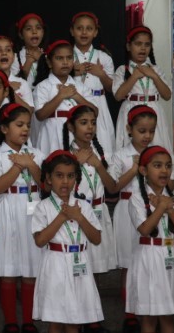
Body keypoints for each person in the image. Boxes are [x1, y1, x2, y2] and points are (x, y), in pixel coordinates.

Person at [32, 150, 104, 333]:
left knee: (75, 320)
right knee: (56, 321)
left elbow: (96, 238)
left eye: (70, 176)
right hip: (55, 265)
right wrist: (62, 216)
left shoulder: (84, 206)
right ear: (49, 178)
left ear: (76, 179)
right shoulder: (43, 207)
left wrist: (79, 217)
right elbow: (40, 240)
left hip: (80, 264)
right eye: (59, 175)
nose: (65, 181)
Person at [0, 103, 45, 333]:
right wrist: (17, 167)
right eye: (19, 125)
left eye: (28, 125)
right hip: (7, 208)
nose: (25, 129)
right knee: (8, 270)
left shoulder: (37, 154)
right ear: (4, 128)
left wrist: (30, 164)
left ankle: (29, 321)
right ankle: (10, 321)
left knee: (31, 269)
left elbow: (46, 185)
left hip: (33, 211)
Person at [127, 146, 174, 333]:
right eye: (157, 165)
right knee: (149, 317)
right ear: (143, 170)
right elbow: (145, 229)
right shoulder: (137, 199)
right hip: (149, 257)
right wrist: (160, 208)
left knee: (168, 315)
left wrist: (169, 209)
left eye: (168, 166)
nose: (164, 170)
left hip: (172, 256)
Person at [108, 105, 162, 333]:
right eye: (141, 131)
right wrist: (134, 168)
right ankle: (130, 315)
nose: (147, 136)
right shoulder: (120, 155)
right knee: (129, 265)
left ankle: (153, 313)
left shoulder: (159, 154)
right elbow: (112, 187)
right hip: (125, 209)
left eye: (151, 131)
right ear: (129, 129)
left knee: (152, 262)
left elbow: (170, 183)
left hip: (151, 211)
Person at [62, 105, 116, 274]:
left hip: (100, 211)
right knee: (79, 264)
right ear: (71, 126)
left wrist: (99, 165)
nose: (90, 127)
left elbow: (112, 188)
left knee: (98, 265)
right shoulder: (64, 156)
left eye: (93, 122)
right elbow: (58, 187)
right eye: (84, 122)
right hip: (77, 213)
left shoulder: (103, 154)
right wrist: (75, 163)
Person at [113, 26, 172, 150]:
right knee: (131, 150)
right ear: (128, 46)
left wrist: (154, 76)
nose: (143, 48)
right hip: (131, 110)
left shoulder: (156, 69)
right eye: (138, 44)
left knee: (156, 149)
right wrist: (134, 76)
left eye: (147, 44)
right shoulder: (122, 70)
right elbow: (118, 96)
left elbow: (167, 95)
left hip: (154, 111)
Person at [33, 40, 96, 154]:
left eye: (69, 58)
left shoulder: (80, 87)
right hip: (51, 135)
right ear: (49, 63)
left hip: (77, 134)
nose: (65, 62)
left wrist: (76, 96)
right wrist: (61, 96)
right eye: (59, 58)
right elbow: (40, 115)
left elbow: (95, 112)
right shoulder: (43, 86)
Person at [70, 12, 116, 154]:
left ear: (95, 32)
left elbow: (111, 88)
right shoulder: (66, 55)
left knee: (102, 146)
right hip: (73, 102)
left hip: (98, 103)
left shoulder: (104, 57)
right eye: (79, 28)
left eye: (89, 29)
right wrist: (73, 72)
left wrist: (101, 74)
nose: (84, 32)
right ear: (72, 31)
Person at [0, 35, 34, 111]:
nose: (4, 53)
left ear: (13, 56)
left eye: (8, 50)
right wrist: (5, 87)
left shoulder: (22, 83)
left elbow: (29, 111)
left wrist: (9, 90)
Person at [12, 13, 46, 89]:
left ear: (43, 33)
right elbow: (16, 84)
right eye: (28, 28)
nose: (34, 31)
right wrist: (29, 61)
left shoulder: (47, 56)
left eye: (38, 28)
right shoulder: (15, 58)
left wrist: (42, 60)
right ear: (21, 35)